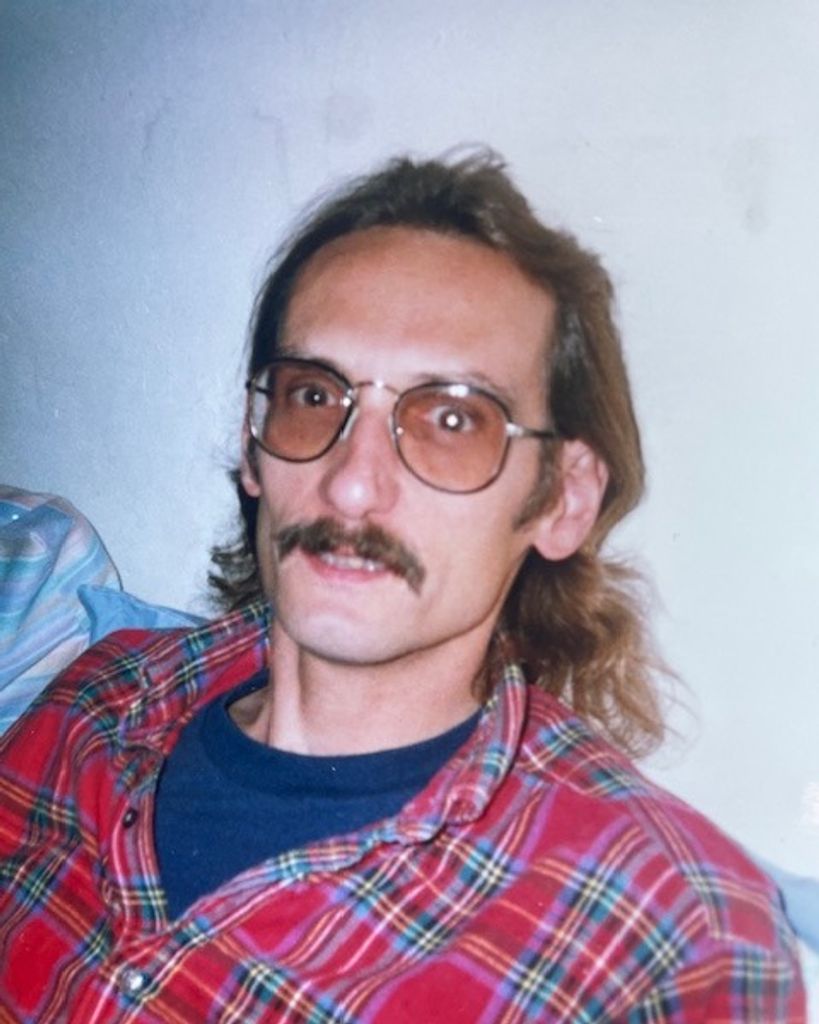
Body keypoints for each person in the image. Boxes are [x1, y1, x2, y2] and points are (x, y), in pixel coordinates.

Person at [0, 151, 805, 1022]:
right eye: (314, 396)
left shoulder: (670, 937)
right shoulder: (98, 701)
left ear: (561, 500)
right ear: (252, 446)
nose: (351, 485)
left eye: (451, 420)